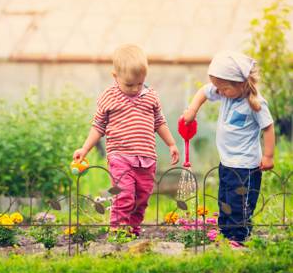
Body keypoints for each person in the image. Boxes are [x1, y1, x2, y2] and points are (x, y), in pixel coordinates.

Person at [73, 44, 179, 236]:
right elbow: (98, 126)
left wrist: (171, 143)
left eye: (139, 84)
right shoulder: (109, 97)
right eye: (129, 85)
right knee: (125, 194)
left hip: (146, 158)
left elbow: (159, 122)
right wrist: (85, 149)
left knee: (142, 197)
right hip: (120, 156)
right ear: (115, 76)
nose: (135, 89)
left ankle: (133, 228)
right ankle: (118, 230)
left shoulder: (151, 97)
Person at [183, 51, 275, 244]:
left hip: (245, 165)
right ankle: (226, 234)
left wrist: (268, 156)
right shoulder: (225, 92)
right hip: (227, 162)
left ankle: (238, 238)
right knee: (225, 198)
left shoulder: (256, 103)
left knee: (239, 202)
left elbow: (268, 127)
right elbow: (203, 92)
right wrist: (192, 111)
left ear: (241, 83)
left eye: (224, 88)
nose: (219, 92)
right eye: (218, 88)